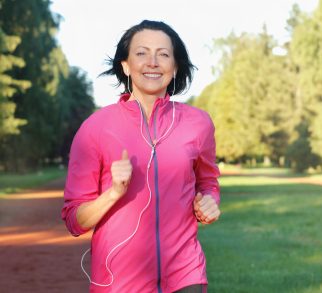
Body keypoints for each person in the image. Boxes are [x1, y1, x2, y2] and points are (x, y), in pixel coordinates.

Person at [61, 20, 220, 293]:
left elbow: (208, 184)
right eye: (142, 53)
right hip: (118, 282)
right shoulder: (95, 128)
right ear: (125, 65)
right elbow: (74, 220)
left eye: (164, 54)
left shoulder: (198, 123)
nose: (153, 62)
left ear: (175, 66)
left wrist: (208, 203)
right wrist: (113, 193)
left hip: (186, 275)